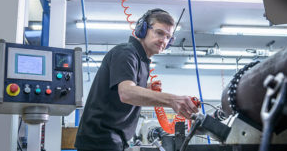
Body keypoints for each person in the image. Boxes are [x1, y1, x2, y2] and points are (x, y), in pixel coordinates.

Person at [75, 8, 199, 151]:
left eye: (168, 37)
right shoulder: (126, 53)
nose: (163, 40)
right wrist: (173, 100)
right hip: (99, 141)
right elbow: (127, 93)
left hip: (113, 140)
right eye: (159, 33)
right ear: (143, 29)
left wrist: (145, 87)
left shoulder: (141, 60)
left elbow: (122, 87)